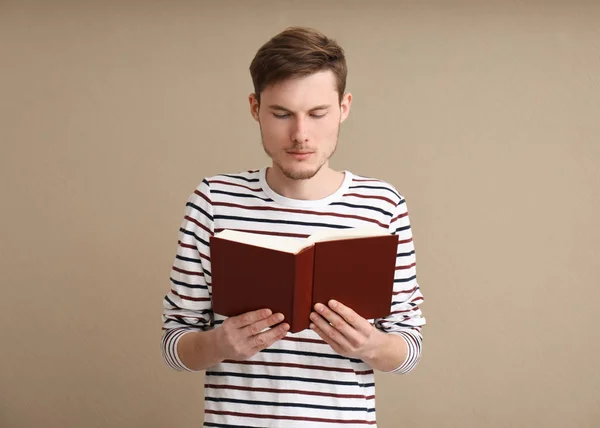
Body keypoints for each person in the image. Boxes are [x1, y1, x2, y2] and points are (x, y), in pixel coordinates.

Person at [161, 26, 426, 427]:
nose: (300, 135)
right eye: (281, 114)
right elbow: (174, 343)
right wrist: (218, 343)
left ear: (344, 108)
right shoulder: (213, 200)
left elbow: (409, 348)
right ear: (255, 107)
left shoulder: (383, 205)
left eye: (317, 114)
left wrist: (369, 345)